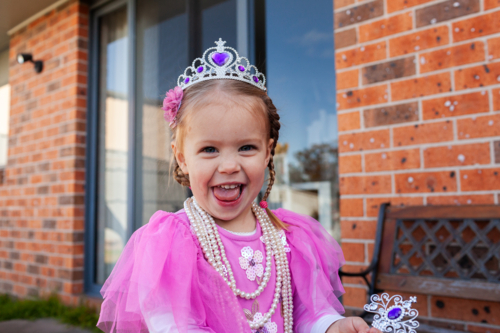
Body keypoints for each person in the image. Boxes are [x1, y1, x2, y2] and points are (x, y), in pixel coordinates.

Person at [97, 39, 381, 333]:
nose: (230, 165)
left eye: (246, 147)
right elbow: (175, 325)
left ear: (268, 152)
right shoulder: (173, 242)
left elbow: (306, 312)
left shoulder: (289, 236)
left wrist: (331, 326)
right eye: (209, 149)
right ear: (182, 159)